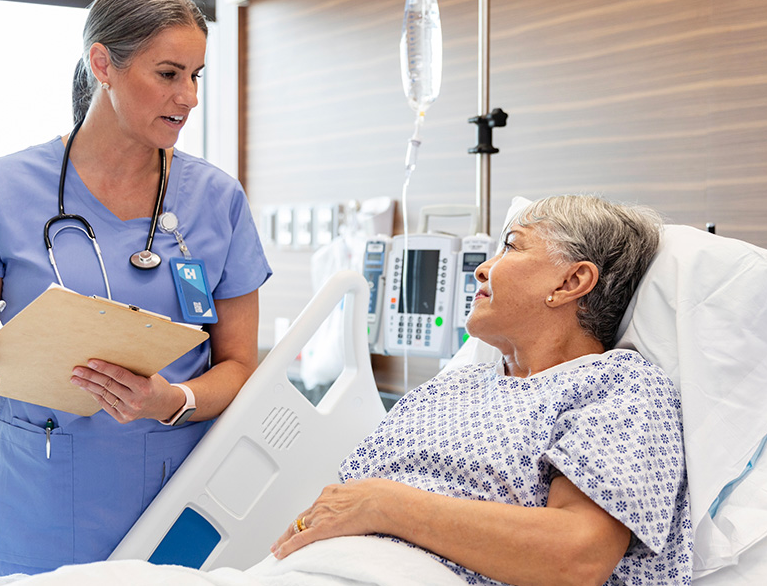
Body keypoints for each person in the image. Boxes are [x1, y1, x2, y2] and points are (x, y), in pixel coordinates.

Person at [0, 0, 272, 576]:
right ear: (102, 65)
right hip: (35, 507)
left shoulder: (217, 199)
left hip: (179, 507)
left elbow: (240, 367)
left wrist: (173, 401)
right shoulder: (2, 189)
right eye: (168, 74)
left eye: (196, 76)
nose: (189, 97)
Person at [271, 195, 692, 586]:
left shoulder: (620, 388)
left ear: (571, 281)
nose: (482, 269)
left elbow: (577, 556)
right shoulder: (451, 388)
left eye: (512, 247)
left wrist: (385, 504)